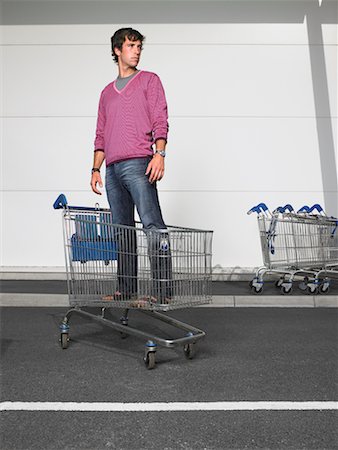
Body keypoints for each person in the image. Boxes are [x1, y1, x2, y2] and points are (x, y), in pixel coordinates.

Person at [90, 27, 171, 303]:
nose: (136, 51)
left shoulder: (149, 81)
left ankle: (162, 292)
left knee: (152, 226)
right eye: (131, 46)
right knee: (122, 231)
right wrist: (95, 169)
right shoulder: (106, 93)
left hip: (139, 163)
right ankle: (126, 290)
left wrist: (159, 154)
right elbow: (100, 134)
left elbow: (160, 119)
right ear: (117, 50)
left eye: (139, 47)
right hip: (111, 169)